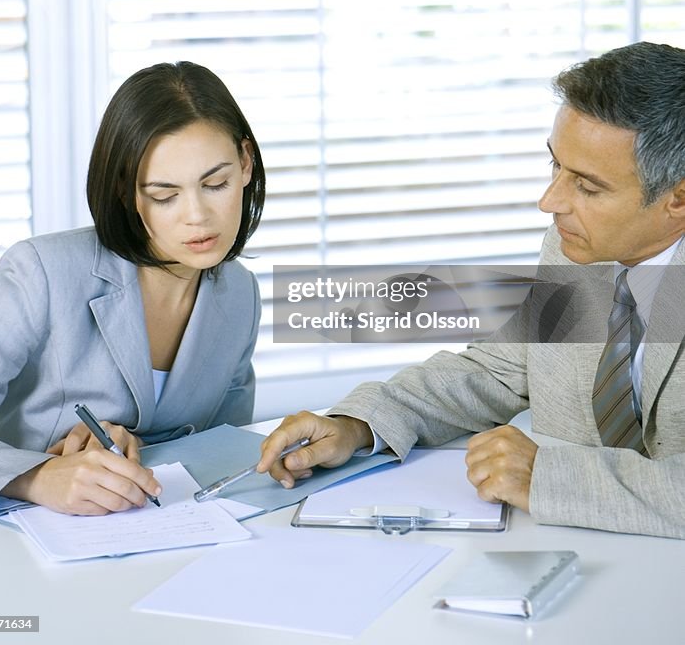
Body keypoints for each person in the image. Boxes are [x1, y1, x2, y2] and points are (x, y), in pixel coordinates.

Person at [258, 41, 685, 539]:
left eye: (588, 187)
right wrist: (360, 424)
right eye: (556, 167)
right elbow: (499, 369)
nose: (550, 202)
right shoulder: (579, 244)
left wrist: (550, 477)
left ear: (677, 198)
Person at [0, 61, 265, 522]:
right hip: (17, 548)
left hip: (163, 541)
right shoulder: (41, 273)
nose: (198, 216)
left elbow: (221, 450)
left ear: (245, 164)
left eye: (216, 183)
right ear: (126, 189)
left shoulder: (240, 293)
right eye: (165, 195)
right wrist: (36, 477)